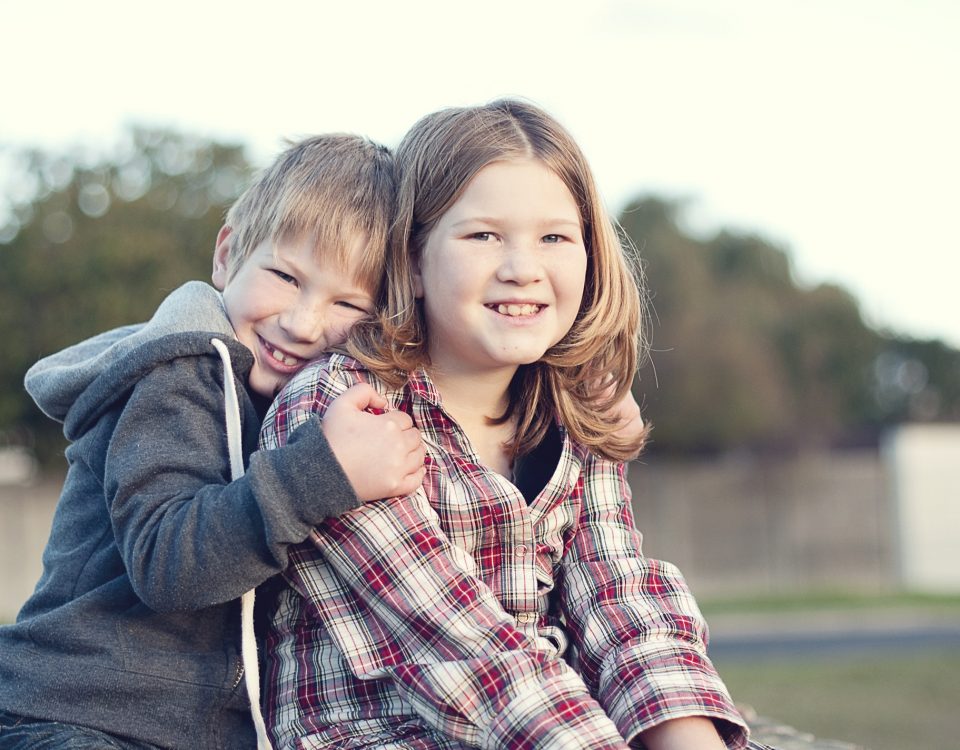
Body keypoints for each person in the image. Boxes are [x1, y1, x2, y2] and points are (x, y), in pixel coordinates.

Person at [259, 100, 770, 749]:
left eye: (554, 237)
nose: (522, 267)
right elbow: (462, 643)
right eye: (483, 236)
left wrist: (687, 737)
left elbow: (618, 599)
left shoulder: (577, 407)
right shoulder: (343, 413)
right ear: (412, 261)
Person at [0, 134, 426, 750]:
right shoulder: (177, 374)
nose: (302, 322)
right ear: (228, 254)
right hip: (72, 711)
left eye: (347, 304)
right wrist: (319, 475)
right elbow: (168, 564)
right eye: (285, 276)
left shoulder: (310, 401)